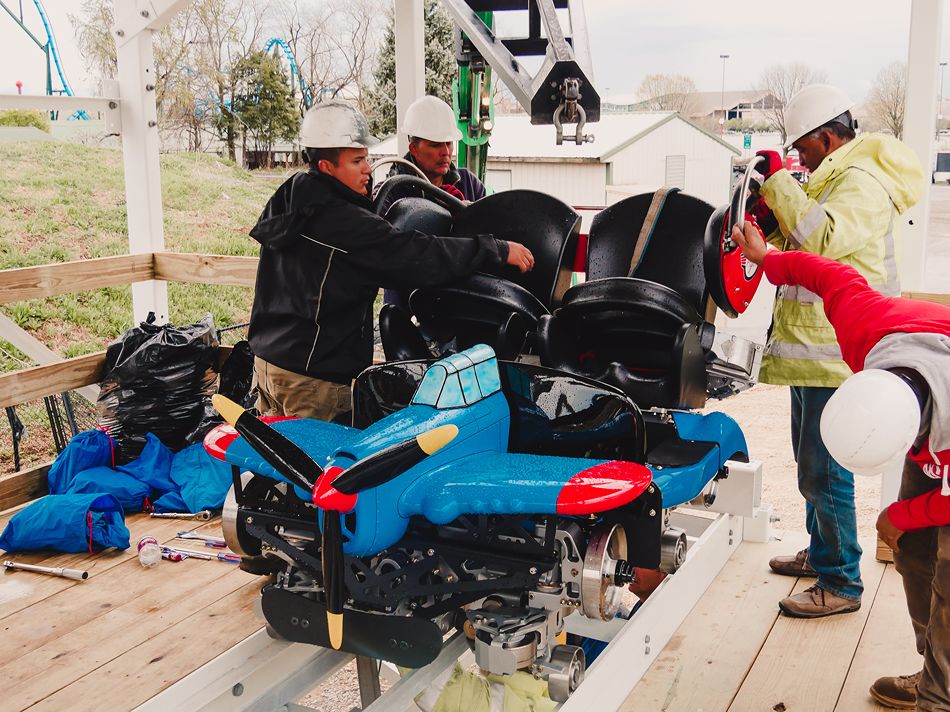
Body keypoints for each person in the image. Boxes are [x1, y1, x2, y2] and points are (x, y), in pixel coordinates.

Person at [732, 218, 950, 712]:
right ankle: (932, 666)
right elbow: (830, 275)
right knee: (914, 551)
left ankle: (940, 697)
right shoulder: (866, 328)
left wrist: (897, 515)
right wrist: (768, 259)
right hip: (929, 413)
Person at [749, 83, 925, 618]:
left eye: (802, 148)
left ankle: (841, 581)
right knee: (810, 464)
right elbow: (805, 243)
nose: (798, 158)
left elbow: (823, 240)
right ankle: (823, 553)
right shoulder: (833, 178)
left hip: (838, 353)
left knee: (826, 471)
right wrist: (768, 209)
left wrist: (780, 182)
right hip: (816, 350)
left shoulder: (862, 182)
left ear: (828, 137)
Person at [247, 101, 534, 423]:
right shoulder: (342, 220)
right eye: (357, 161)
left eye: (366, 159)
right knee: (321, 469)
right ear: (327, 166)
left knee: (276, 459)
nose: (368, 168)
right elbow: (414, 254)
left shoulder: (292, 199)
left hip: (270, 363)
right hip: (313, 379)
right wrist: (493, 249)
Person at [386, 94, 487, 202]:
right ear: (414, 149)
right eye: (436, 145)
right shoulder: (390, 192)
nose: (446, 152)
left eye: (448, 143)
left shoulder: (470, 185)